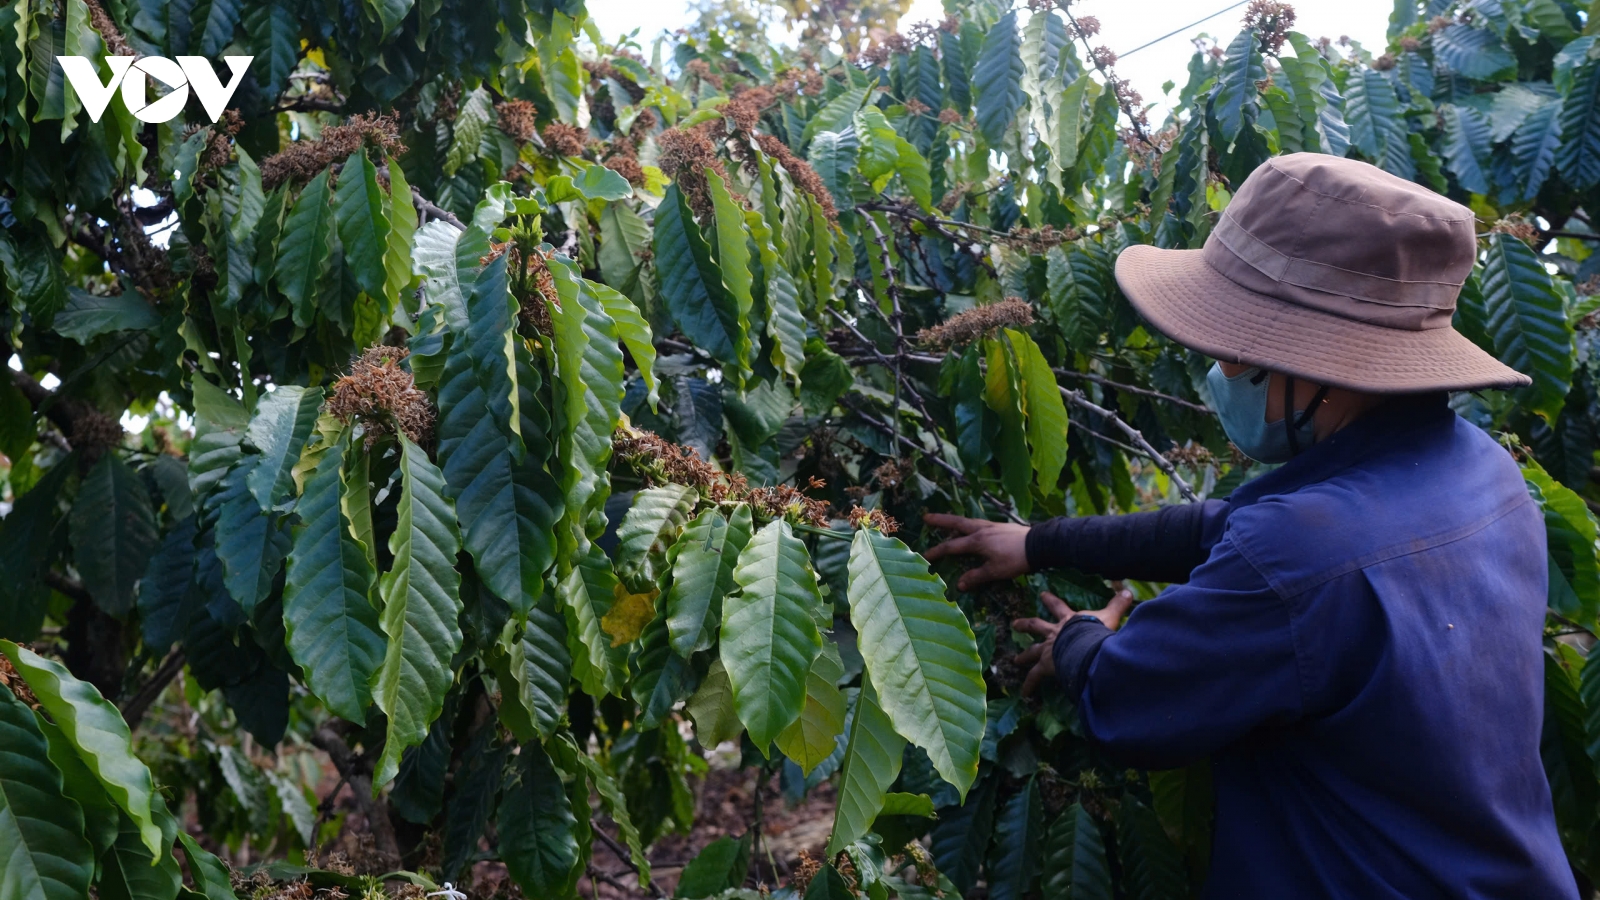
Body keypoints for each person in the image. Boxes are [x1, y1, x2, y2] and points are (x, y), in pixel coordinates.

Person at [924, 153, 1578, 899]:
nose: (1221, 370)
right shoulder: (1483, 472)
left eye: (1238, 352)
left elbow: (1129, 702)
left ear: (1324, 371)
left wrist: (1079, 640)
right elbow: (1225, 527)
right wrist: (1041, 543)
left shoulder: (1300, 555)